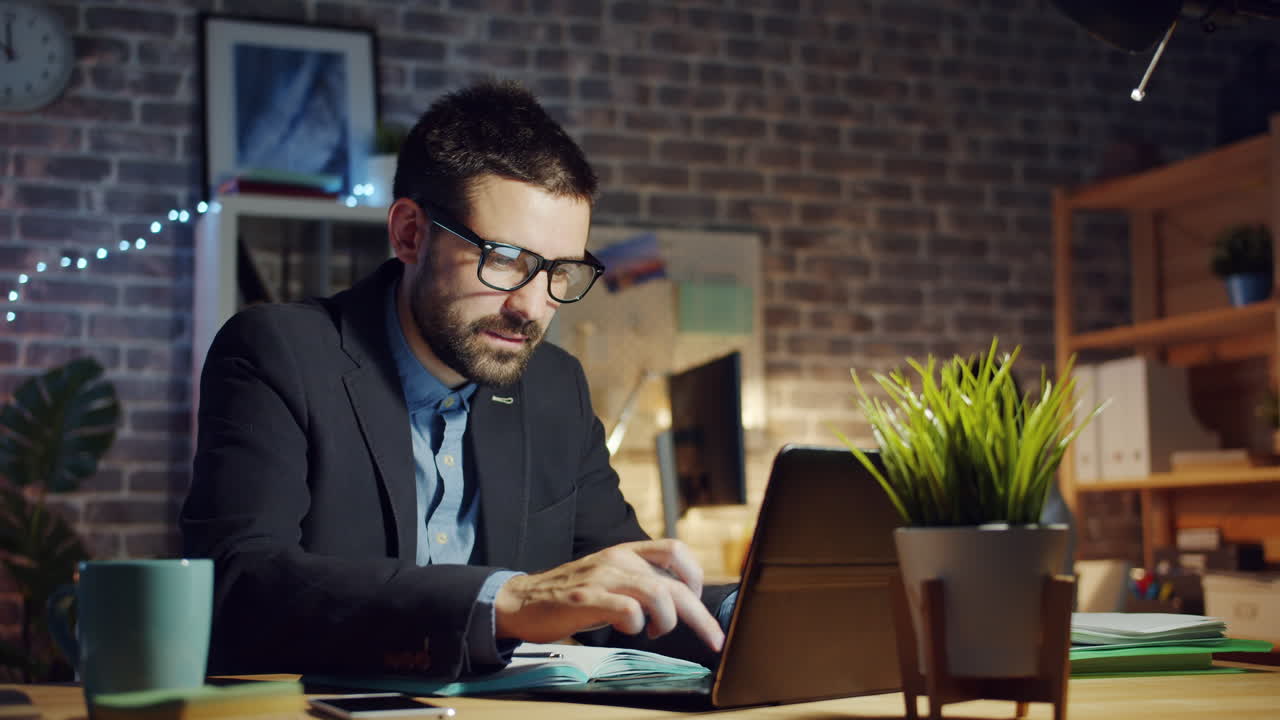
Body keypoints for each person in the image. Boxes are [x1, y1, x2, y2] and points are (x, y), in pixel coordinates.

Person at [181, 80, 734, 678]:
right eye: (503, 260)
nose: (532, 306)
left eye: (560, 272)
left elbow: (624, 589)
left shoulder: (554, 386)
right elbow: (240, 585)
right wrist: (508, 601)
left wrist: (748, 612)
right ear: (410, 233)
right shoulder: (278, 352)